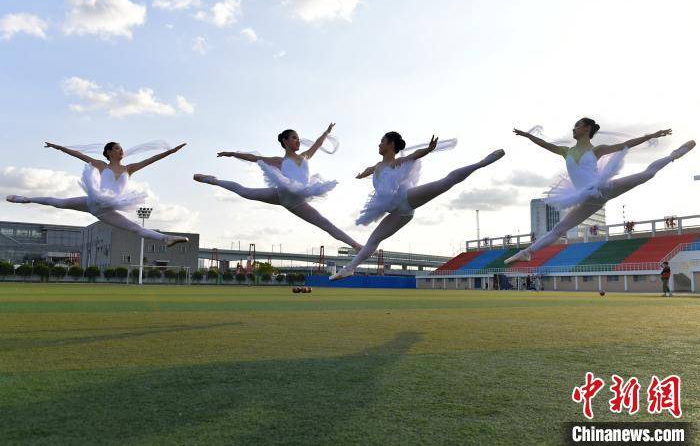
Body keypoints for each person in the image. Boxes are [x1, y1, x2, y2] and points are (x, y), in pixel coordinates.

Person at [505, 118, 695, 264]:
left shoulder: (597, 150)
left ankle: (674, 155)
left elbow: (626, 145)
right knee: (559, 229)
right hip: (587, 199)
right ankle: (526, 253)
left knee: (647, 174)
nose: (573, 128)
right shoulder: (566, 151)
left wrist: (651, 136)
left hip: (602, 188)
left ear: (586, 128)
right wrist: (527, 135)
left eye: (577, 125)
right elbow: (545, 145)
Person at [330, 132, 504, 280]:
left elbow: (415, 156)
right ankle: (349, 269)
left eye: (382, 141)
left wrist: (429, 149)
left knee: (444, 183)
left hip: (405, 199)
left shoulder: (396, 162)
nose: (379, 144)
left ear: (390, 144)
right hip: (399, 213)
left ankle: (483, 162)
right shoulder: (377, 166)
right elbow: (370, 170)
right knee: (373, 240)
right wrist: (361, 175)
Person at [194, 123, 362, 251]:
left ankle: (356, 246)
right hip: (281, 194)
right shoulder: (278, 161)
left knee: (325, 224)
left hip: (297, 202)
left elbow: (317, 144)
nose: (298, 141)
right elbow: (252, 157)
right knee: (245, 192)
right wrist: (232, 153)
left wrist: (326, 132)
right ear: (285, 141)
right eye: (294, 138)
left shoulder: (305, 156)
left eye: (298, 137)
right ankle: (212, 180)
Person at [6, 141, 189, 246]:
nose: (121, 150)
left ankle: (166, 238)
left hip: (107, 210)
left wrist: (170, 152)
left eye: (121, 148)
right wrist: (58, 147)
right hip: (93, 200)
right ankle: (26, 199)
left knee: (135, 228)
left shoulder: (129, 168)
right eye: (117, 148)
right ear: (109, 152)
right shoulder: (101, 165)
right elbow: (78, 155)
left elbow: (151, 160)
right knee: (60, 203)